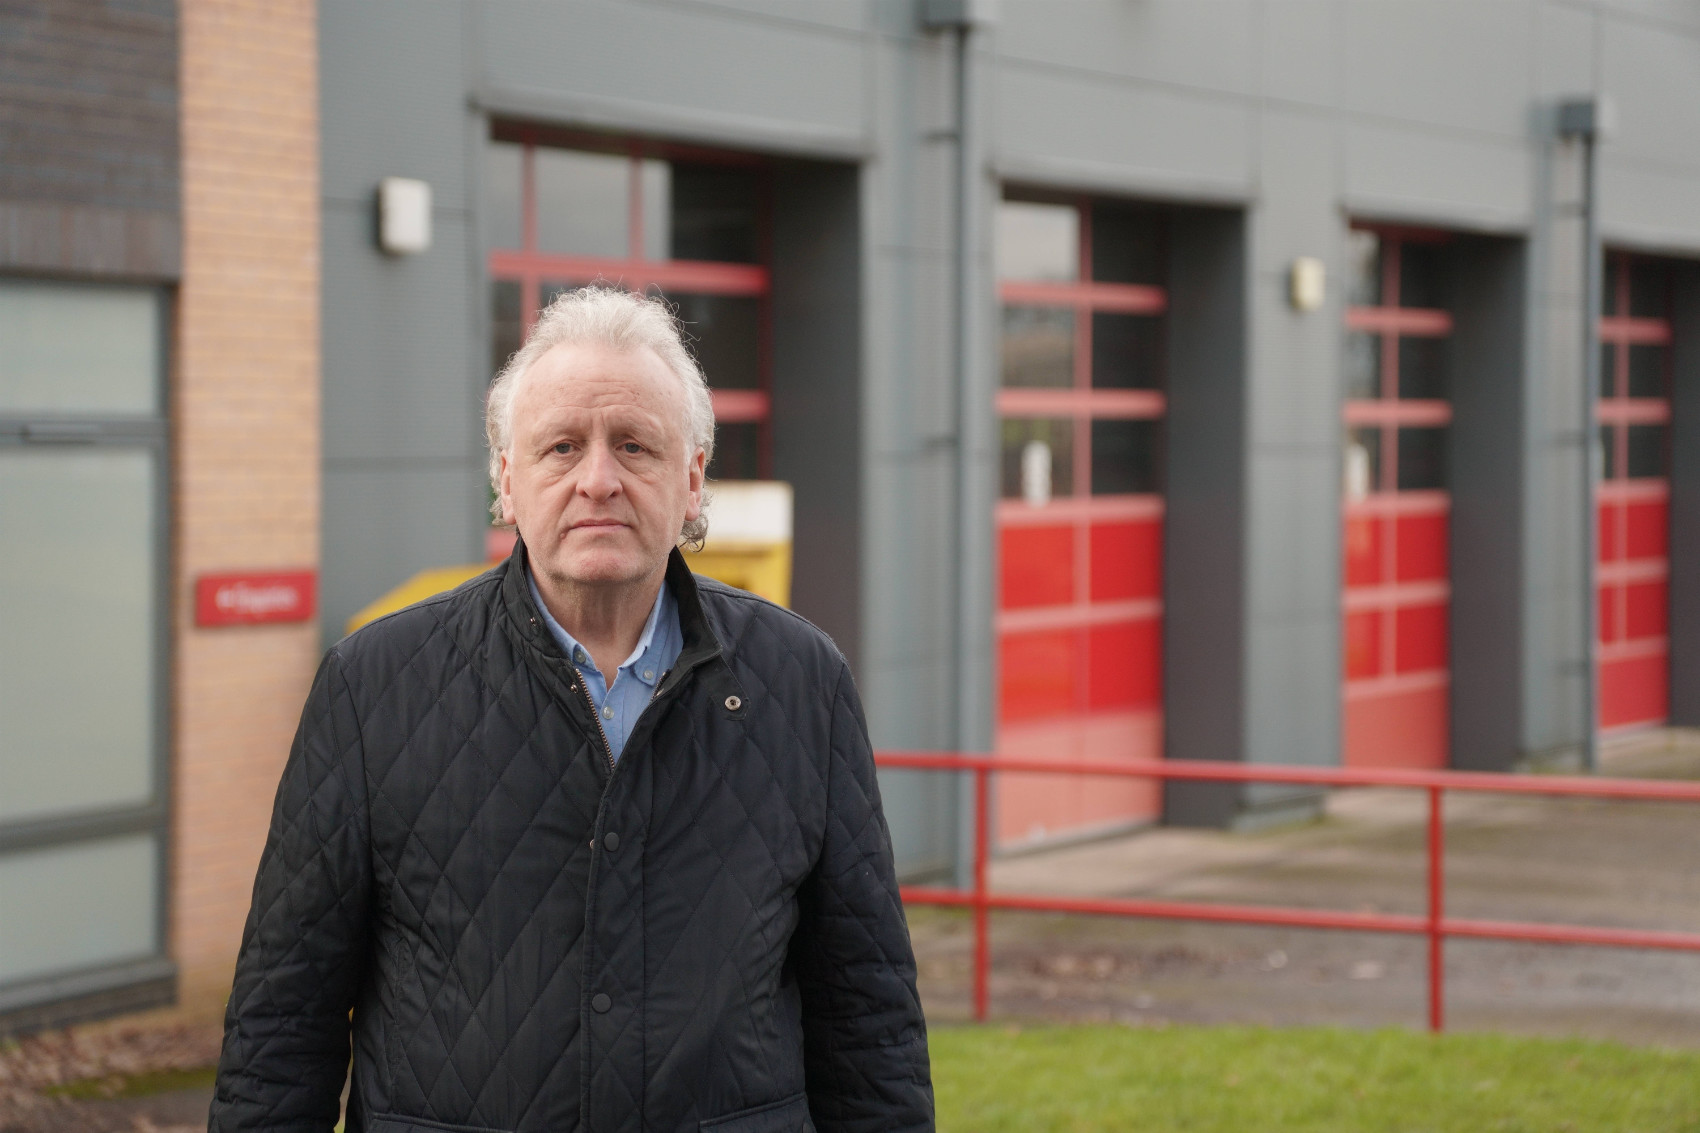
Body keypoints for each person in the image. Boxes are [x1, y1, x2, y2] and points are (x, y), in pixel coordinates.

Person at [209, 287, 933, 1133]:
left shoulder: (801, 680)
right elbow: (280, 1024)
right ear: (507, 481)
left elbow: (868, 1019)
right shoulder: (372, 685)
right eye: (561, 447)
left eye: (635, 446)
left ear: (691, 479)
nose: (599, 479)